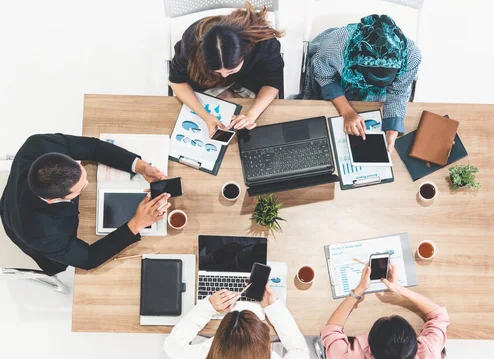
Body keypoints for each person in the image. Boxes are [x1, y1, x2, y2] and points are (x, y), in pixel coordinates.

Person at [0, 133, 171, 276]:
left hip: (20, 188)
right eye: (81, 188)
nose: (87, 183)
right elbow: (89, 258)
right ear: (54, 200)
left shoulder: (38, 144)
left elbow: (92, 148)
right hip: (19, 224)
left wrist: (140, 166)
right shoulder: (41, 234)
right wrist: (137, 223)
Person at [321, 261, 449, 359]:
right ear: (414, 343)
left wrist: (358, 290)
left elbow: (330, 332)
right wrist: (400, 289)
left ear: (368, 345)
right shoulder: (427, 356)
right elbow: (439, 316)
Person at [300, 14, 421, 152]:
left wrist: (392, 127)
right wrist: (347, 112)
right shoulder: (334, 47)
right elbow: (325, 77)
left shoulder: (412, 55)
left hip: (376, 101)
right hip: (339, 82)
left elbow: (398, 91)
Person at [164, 285, 309, 359]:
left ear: (219, 337)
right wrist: (274, 308)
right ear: (264, 341)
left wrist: (208, 307)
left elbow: (172, 345)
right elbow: (300, 353)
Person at [169, 4, 284, 134]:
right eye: (217, 71)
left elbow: (273, 82)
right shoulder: (192, 41)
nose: (224, 76)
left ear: (246, 51)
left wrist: (251, 115)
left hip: (250, 84)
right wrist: (205, 115)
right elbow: (176, 81)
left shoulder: (264, 43)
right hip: (204, 85)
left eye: (230, 71)